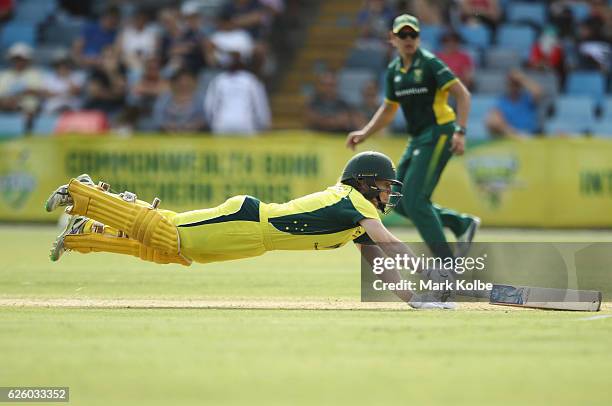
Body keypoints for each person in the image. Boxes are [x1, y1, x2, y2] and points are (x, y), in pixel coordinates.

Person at [44, 151, 455, 310]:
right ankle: (82, 194)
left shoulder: (358, 216)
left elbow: (379, 260)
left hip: (252, 242)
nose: (387, 194)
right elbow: (391, 243)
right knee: (169, 233)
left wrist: (413, 299)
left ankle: (85, 235)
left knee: (176, 250)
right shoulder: (354, 201)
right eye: (384, 186)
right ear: (366, 183)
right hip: (245, 220)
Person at [346, 14, 478, 260]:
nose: (408, 39)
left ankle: (446, 264)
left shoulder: (429, 63)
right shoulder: (394, 70)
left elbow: (463, 95)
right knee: (399, 201)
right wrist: (365, 132)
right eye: (402, 35)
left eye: (413, 35)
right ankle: (461, 224)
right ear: (392, 38)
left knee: (416, 200)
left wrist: (460, 131)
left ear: (418, 38)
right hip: (418, 138)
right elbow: (388, 109)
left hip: (440, 132)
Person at [204, 52, 270, 135]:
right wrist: (263, 124)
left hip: (222, 124)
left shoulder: (218, 81)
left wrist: (212, 124)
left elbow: (209, 107)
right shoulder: (251, 80)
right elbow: (260, 105)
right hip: (245, 124)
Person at [485, 69, 542, 139]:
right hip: (512, 136)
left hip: (531, 135)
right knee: (492, 120)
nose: (514, 87)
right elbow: (492, 121)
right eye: (511, 84)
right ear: (507, 85)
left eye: (516, 84)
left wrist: (521, 79)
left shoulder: (527, 98)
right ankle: (518, 136)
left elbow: (538, 92)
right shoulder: (502, 101)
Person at [152, 68, 206, 133]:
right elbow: (158, 117)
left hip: (197, 135)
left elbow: (205, 117)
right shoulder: (164, 98)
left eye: (187, 81)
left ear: (194, 82)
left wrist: (194, 126)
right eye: (180, 80)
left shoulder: (201, 98)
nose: (184, 83)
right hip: (167, 134)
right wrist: (167, 127)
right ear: (174, 82)